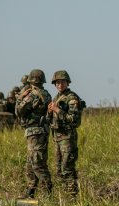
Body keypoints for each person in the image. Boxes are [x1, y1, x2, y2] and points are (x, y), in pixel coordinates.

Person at [16, 69, 52, 198]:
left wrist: (20, 98)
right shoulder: (46, 94)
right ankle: (30, 192)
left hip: (34, 132)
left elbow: (19, 111)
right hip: (40, 131)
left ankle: (48, 193)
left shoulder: (31, 95)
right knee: (31, 163)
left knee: (36, 164)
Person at [47, 70, 83, 196]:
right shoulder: (57, 97)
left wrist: (57, 110)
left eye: (62, 82)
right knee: (59, 170)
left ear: (67, 83)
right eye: (57, 82)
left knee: (67, 168)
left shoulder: (71, 98)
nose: (60, 84)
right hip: (57, 138)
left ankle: (73, 197)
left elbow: (74, 121)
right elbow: (50, 120)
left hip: (67, 138)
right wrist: (50, 112)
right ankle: (66, 195)